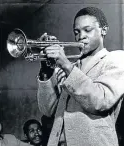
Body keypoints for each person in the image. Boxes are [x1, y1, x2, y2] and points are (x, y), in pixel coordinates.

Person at [37, 7, 124, 146]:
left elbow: (100, 100)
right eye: (76, 32)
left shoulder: (115, 59)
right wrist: (46, 70)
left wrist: (65, 65)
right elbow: (47, 109)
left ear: (104, 30)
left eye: (87, 30)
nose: (81, 36)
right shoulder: (73, 66)